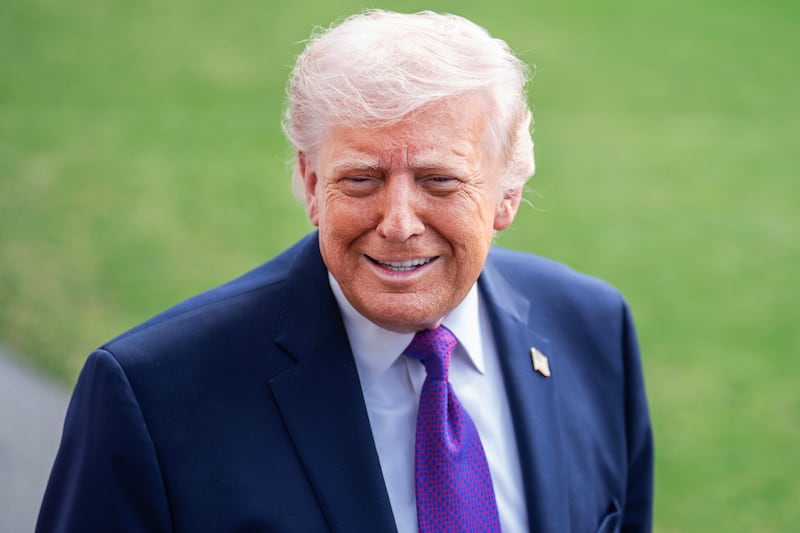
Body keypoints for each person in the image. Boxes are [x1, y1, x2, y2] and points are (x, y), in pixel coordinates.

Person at [37, 9, 653, 533]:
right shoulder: (151, 396)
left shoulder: (594, 330)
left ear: (506, 193)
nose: (398, 222)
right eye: (362, 179)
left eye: (440, 180)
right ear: (310, 183)